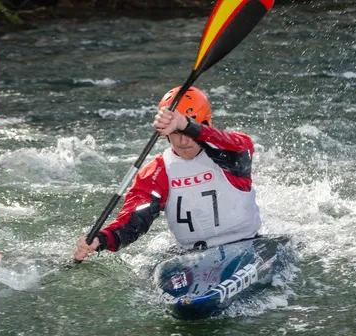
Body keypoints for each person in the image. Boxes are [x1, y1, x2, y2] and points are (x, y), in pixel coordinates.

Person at [74, 86, 262, 261]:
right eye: (176, 132)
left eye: (188, 131)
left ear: (204, 124)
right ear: (165, 132)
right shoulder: (156, 172)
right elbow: (133, 220)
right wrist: (102, 239)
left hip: (246, 244)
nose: (183, 140)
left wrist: (186, 124)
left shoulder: (231, 153)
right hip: (192, 256)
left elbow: (238, 144)